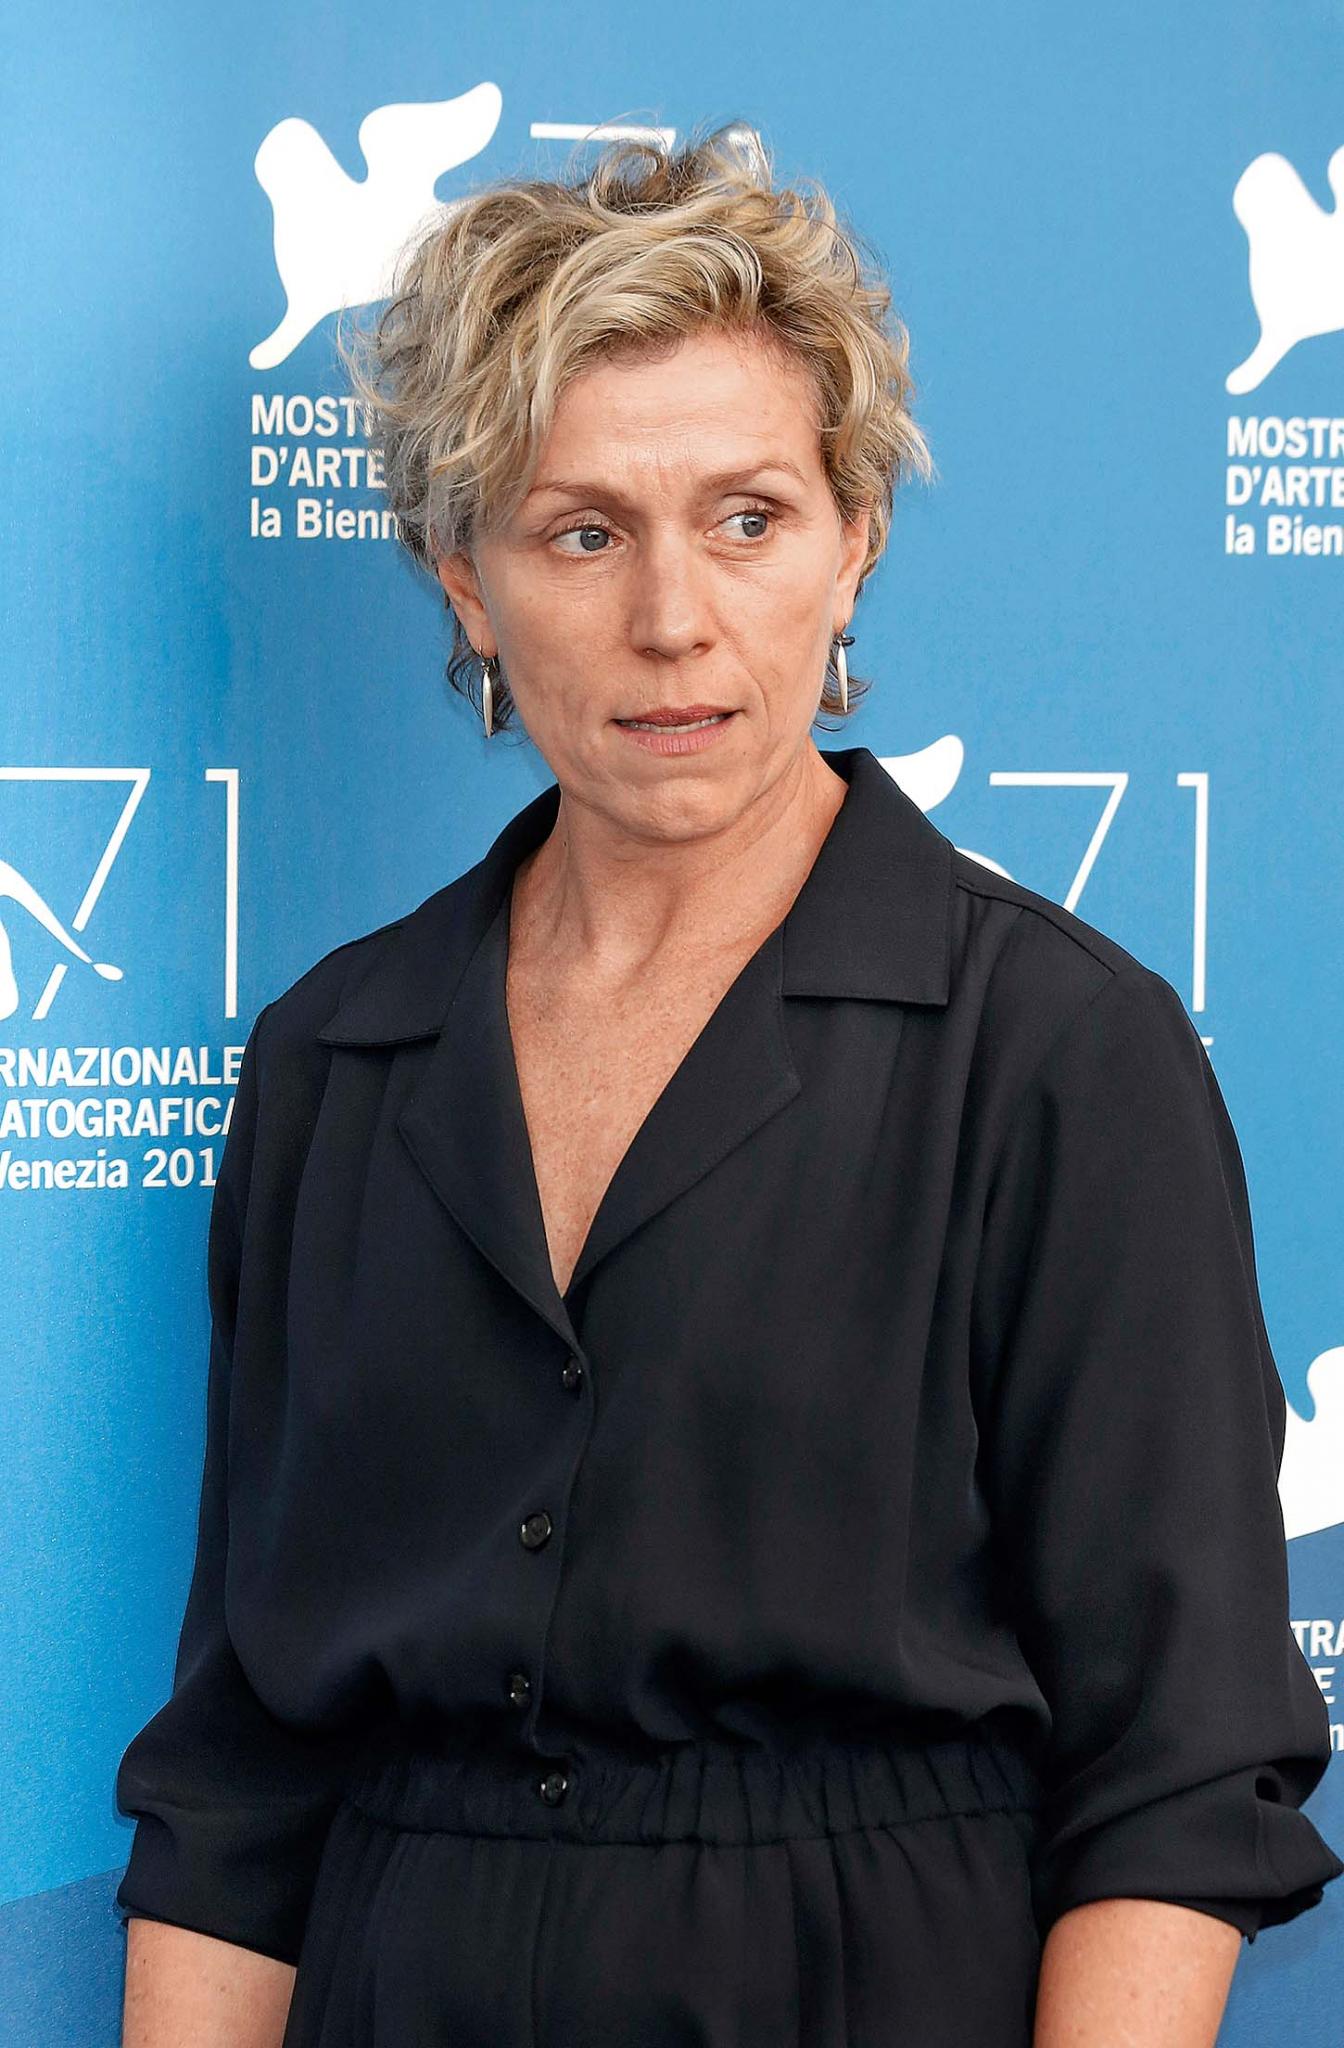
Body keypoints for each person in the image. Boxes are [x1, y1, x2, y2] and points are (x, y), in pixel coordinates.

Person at [114, 122, 1342, 2047]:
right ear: (462, 578)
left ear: (857, 539)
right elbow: (240, 1781)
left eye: (749, 518)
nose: (673, 619)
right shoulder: (332, 1061)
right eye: (582, 531)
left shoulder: (1056, 1051)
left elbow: (1178, 1776)